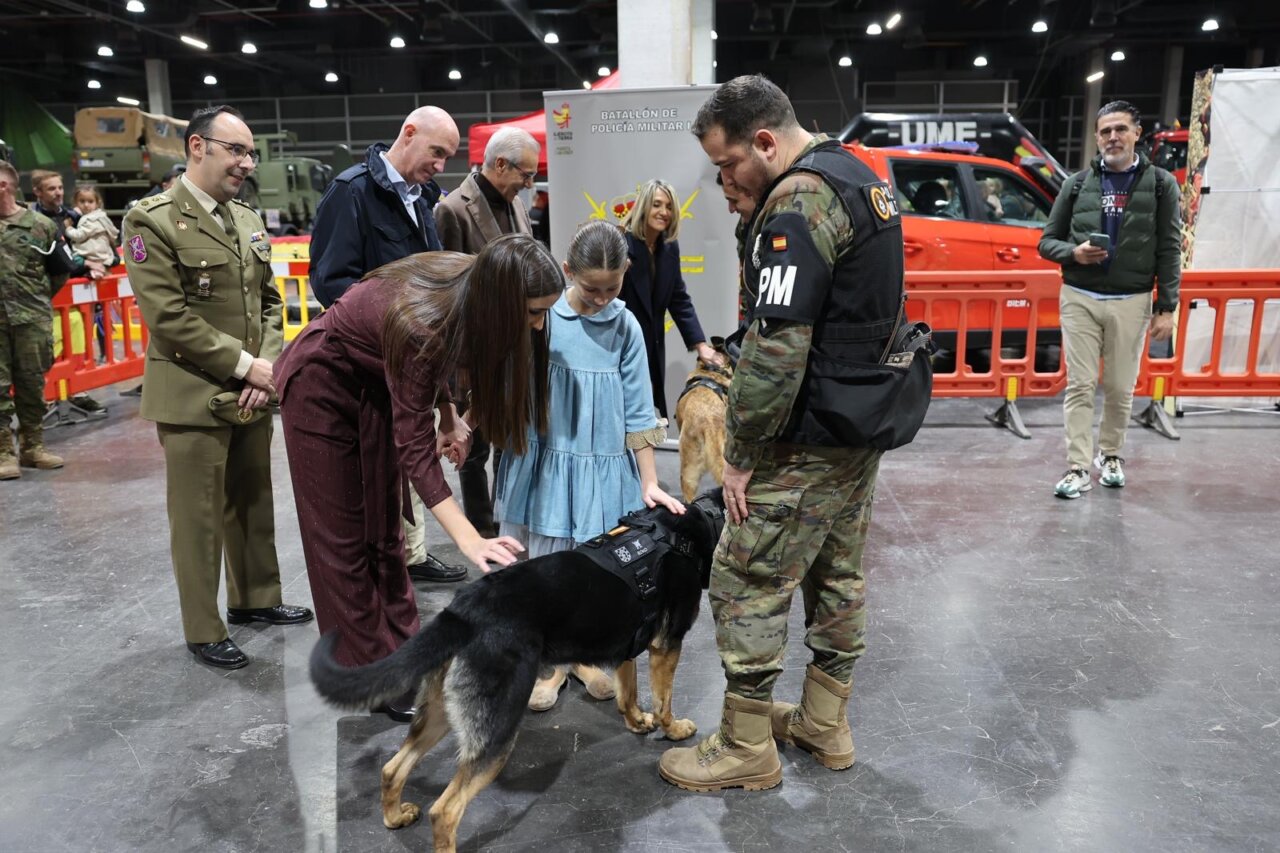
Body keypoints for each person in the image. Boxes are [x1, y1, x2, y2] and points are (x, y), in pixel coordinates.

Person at [658, 75, 905, 792]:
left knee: (745, 575)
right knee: (836, 571)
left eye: (727, 164)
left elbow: (777, 349)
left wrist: (741, 454)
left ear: (765, 142)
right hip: (857, 427)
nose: (720, 181)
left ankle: (745, 746)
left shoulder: (796, 202)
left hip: (803, 436)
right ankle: (824, 722)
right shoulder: (860, 175)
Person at [274, 234, 562, 721]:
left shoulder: (473, 285)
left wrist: (449, 414)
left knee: (385, 530)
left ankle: (408, 656)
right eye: (533, 312)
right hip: (321, 389)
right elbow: (415, 449)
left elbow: (440, 362)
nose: (538, 325)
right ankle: (370, 676)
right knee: (342, 540)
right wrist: (471, 539)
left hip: (376, 385)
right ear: (502, 301)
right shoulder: (420, 323)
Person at [122, 105, 313, 671]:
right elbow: (168, 316)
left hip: (251, 388)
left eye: (251, 153)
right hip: (191, 395)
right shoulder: (151, 220)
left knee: (252, 501)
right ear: (198, 147)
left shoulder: (248, 221)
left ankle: (255, 599)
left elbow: (272, 303)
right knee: (199, 517)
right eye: (236, 150)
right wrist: (243, 366)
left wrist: (266, 366)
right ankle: (203, 628)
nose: (247, 163)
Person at [495, 220, 684, 711]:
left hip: (602, 467)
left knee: (591, 570)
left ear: (626, 271)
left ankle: (581, 656)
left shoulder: (626, 326)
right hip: (546, 462)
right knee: (544, 568)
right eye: (590, 288)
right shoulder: (543, 316)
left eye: (612, 287)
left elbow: (641, 408)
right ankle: (546, 664)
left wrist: (648, 481)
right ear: (566, 272)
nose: (601, 298)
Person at [308, 104, 466, 583]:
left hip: (409, 361)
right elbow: (333, 284)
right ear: (409, 133)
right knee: (371, 481)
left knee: (408, 466)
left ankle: (409, 558)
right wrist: (393, 328)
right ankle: (378, 573)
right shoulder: (351, 192)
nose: (441, 166)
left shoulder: (421, 199)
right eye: (437, 153)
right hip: (364, 367)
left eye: (447, 158)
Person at [1039, 100, 1180, 499]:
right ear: (1097, 138)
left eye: (1120, 129)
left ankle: (1111, 455)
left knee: (1120, 386)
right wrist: (1074, 253)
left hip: (1132, 299)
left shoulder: (1160, 185)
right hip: (1079, 296)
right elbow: (1046, 242)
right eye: (1105, 131)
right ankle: (1078, 466)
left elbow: (1170, 248)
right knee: (1081, 385)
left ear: (1137, 133)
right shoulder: (1077, 184)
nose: (1112, 137)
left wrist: (1167, 307)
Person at [435, 127, 539, 538]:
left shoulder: (517, 205)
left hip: (514, 347)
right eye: (526, 175)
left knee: (509, 439)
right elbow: (444, 292)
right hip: (472, 352)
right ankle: (481, 528)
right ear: (500, 165)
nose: (530, 183)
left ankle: (507, 516)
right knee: (473, 448)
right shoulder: (452, 211)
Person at [619, 178, 723, 419]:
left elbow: (679, 299)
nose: (663, 212)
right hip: (622, 348)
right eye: (656, 204)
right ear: (643, 206)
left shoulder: (669, 247)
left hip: (654, 348)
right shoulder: (622, 244)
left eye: (668, 206)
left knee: (646, 416)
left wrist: (701, 345)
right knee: (624, 416)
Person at [1, 160, 74, 480]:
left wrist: (35, 301)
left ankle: (33, 446)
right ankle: (4, 451)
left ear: (6, 186)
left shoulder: (41, 226)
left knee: (32, 384)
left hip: (31, 319)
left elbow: (60, 271)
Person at [30, 170, 108, 413]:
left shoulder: (72, 216)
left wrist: (105, 259)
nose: (58, 193)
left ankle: (77, 390)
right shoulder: (32, 220)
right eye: (51, 188)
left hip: (71, 296)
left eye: (60, 188)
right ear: (38, 192)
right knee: (47, 347)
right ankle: (46, 395)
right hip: (42, 298)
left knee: (77, 334)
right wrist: (84, 265)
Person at [66, 186, 118, 270]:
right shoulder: (100, 215)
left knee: (72, 259)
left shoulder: (92, 219)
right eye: (82, 201)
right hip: (102, 254)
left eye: (90, 201)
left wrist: (68, 228)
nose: (86, 205)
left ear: (97, 203)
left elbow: (79, 236)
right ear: (75, 202)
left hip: (94, 255)